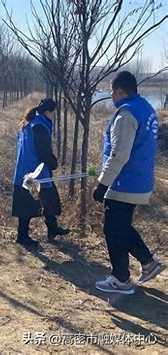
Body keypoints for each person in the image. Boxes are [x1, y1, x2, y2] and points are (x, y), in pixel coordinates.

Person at [93, 71, 166, 295]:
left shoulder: (125, 115)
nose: (111, 96)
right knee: (121, 226)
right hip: (139, 181)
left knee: (113, 230)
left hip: (123, 183)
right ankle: (148, 262)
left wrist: (103, 184)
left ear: (120, 91)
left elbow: (119, 155)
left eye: (112, 91)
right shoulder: (145, 108)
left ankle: (121, 279)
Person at [12, 98, 70, 249]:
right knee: (27, 204)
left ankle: (52, 229)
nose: (54, 117)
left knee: (47, 199)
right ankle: (22, 236)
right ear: (47, 112)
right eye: (53, 114)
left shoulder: (28, 122)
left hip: (26, 170)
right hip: (34, 172)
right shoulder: (39, 126)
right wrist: (53, 163)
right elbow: (43, 151)